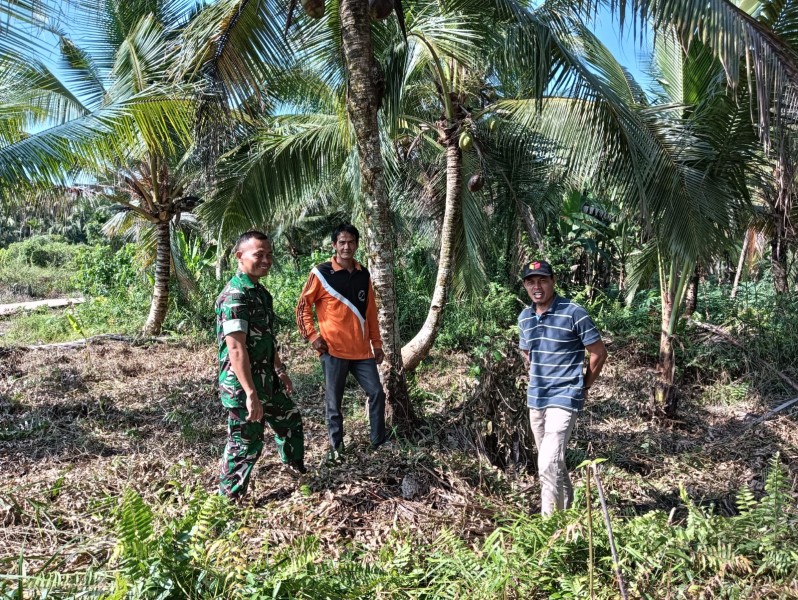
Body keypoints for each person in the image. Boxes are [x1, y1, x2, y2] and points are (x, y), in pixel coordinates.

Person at [216, 231, 305, 499]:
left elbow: (266, 337)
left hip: (268, 380)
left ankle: (295, 469)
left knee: (290, 421)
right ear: (239, 256)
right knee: (246, 444)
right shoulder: (235, 296)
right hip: (243, 387)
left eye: (269, 255)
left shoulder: (260, 293)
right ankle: (228, 500)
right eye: (259, 255)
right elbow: (236, 348)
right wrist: (251, 394)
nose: (266, 260)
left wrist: (280, 370)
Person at [518, 259, 607, 515]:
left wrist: (583, 386)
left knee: (547, 462)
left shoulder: (573, 312)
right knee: (552, 461)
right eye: (531, 281)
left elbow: (598, 353)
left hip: (565, 396)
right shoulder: (524, 318)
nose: (537, 286)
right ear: (525, 286)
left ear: (553, 282)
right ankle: (567, 509)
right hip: (536, 398)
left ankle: (550, 527)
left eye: (543, 280)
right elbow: (528, 354)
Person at [296, 223, 388, 458]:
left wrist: (376, 345)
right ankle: (336, 449)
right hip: (333, 351)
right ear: (334, 245)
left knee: (377, 392)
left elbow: (371, 314)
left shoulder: (363, 274)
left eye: (351, 242)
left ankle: (379, 443)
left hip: (362, 352)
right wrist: (313, 337)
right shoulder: (321, 273)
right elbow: (302, 307)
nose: (347, 247)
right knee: (334, 404)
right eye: (342, 242)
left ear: (357, 244)